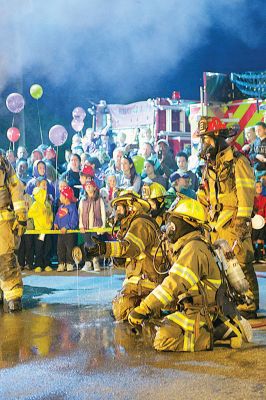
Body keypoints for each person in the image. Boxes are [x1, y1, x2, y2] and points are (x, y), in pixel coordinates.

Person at [128, 197, 253, 352]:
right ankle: (217, 327)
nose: (168, 227)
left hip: (201, 312)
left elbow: (173, 285)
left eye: (172, 221)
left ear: (186, 222)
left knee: (163, 339)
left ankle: (218, 333)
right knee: (154, 322)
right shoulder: (186, 245)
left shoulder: (194, 249)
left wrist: (143, 308)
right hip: (194, 307)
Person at [196, 116, 259, 318]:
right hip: (216, 223)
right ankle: (234, 301)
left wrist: (241, 222)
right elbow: (205, 194)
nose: (202, 144)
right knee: (222, 266)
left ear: (216, 136)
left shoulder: (238, 161)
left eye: (205, 139)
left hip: (233, 223)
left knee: (241, 262)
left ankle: (250, 304)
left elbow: (246, 193)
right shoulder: (210, 165)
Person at [85, 190, 167, 321]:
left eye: (119, 207)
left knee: (123, 310)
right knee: (121, 310)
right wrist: (117, 258)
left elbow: (131, 247)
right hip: (141, 282)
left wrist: (106, 248)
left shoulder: (140, 224)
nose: (116, 211)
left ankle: (146, 324)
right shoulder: (133, 224)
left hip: (147, 283)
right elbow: (129, 258)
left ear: (130, 207)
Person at [0, 154, 27, 312]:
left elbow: (16, 186)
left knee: (5, 258)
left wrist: (21, 215)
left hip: (2, 220)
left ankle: (13, 296)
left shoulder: (2, 162)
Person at [79, 180, 106, 272]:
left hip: (96, 226)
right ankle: (88, 262)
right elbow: (81, 214)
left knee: (94, 243)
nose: (88, 187)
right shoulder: (83, 200)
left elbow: (103, 213)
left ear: (95, 188)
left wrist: (103, 226)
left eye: (90, 186)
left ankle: (95, 261)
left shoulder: (99, 200)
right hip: (86, 227)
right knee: (87, 244)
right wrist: (81, 225)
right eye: (86, 186)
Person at [28, 186, 54, 272]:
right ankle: (38, 265)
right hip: (39, 231)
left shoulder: (47, 204)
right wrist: (38, 213)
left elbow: (50, 214)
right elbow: (30, 214)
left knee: (48, 247)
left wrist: (50, 223)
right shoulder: (35, 205)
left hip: (47, 230)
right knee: (39, 248)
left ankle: (46, 264)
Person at [54, 186, 79, 272]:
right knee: (60, 248)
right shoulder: (60, 208)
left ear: (66, 197)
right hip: (61, 233)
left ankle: (70, 263)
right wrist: (56, 223)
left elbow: (74, 221)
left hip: (69, 233)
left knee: (69, 248)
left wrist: (67, 227)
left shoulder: (72, 208)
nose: (60, 197)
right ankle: (61, 263)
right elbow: (57, 217)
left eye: (61, 195)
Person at [252, 181, 266, 263]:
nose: (259, 188)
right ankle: (254, 256)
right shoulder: (252, 199)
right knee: (253, 239)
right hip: (254, 222)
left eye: (260, 186)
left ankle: (261, 256)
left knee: (261, 239)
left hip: (262, 222)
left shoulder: (264, 199)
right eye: (257, 187)